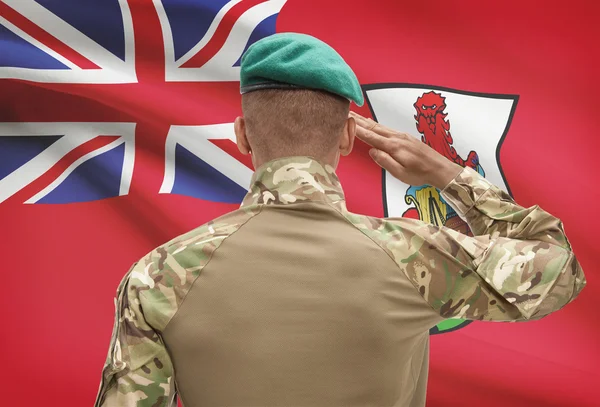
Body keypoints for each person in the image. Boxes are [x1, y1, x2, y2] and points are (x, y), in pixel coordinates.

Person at [95, 33, 586, 407]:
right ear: (349, 136)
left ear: (243, 135)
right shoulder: (414, 257)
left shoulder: (157, 276)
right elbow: (559, 267)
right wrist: (447, 173)